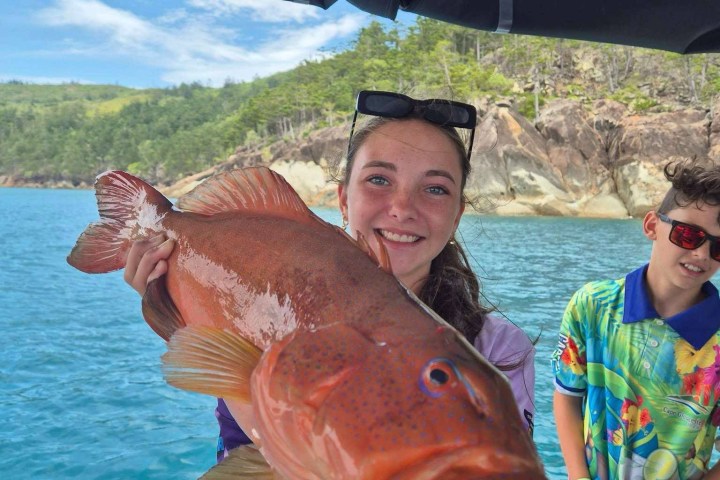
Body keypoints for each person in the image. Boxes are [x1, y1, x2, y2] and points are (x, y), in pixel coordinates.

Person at [124, 90, 536, 463]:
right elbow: (212, 364)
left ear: (458, 213)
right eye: (378, 180)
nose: (401, 207)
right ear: (343, 198)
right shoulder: (273, 272)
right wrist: (168, 303)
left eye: (435, 189)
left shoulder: (500, 351)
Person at [552, 160, 720, 480]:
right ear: (652, 226)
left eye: (719, 247)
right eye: (688, 235)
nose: (701, 254)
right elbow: (567, 397)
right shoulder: (591, 306)